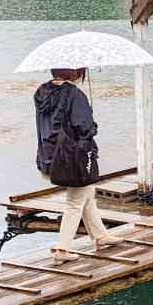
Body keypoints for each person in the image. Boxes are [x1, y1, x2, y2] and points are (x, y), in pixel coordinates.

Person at [34, 67, 119, 262]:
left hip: (50, 155)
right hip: (72, 157)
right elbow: (84, 128)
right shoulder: (74, 94)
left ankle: (101, 236)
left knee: (86, 194)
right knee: (75, 201)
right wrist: (93, 124)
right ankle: (62, 250)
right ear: (76, 72)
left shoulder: (42, 92)